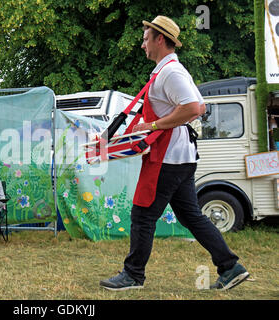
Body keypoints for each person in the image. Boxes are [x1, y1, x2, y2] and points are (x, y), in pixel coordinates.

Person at [99, 16, 249, 291]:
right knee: (190, 215)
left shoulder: (170, 73)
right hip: (180, 157)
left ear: (159, 39)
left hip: (167, 158)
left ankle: (133, 275)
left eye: (145, 39)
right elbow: (197, 106)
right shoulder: (170, 69)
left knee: (143, 215)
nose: (142, 45)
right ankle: (230, 267)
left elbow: (194, 108)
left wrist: (154, 125)